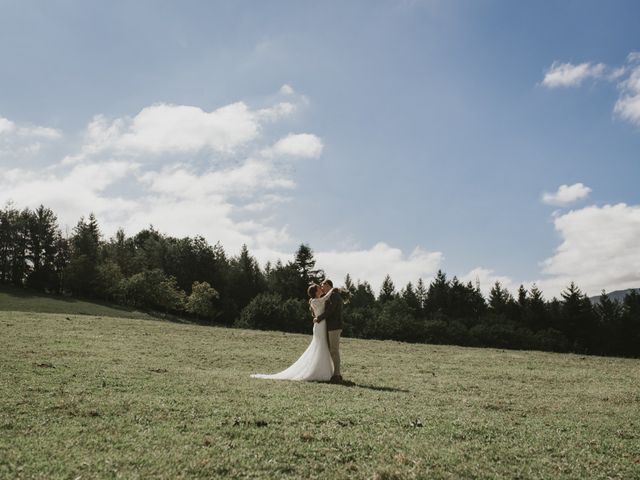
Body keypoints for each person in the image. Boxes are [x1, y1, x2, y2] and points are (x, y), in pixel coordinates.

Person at [250, 284, 334, 381]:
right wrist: (333, 289)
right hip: (319, 326)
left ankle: (324, 370)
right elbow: (326, 298)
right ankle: (319, 371)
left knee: (323, 346)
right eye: (319, 288)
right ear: (315, 292)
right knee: (320, 346)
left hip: (322, 324)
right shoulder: (315, 301)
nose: (321, 288)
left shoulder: (318, 300)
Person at [314, 279, 344, 383]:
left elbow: (330, 311)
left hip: (334, 326)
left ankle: (337, 375)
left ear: (327, 285)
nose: (321, 287)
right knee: (332, 350)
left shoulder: (334, 296)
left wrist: (319, 318)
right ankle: (335, 373)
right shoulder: (330, 296)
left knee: (334, 350)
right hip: (330, 326)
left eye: (322, 285)